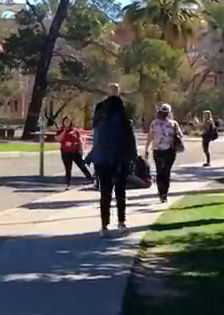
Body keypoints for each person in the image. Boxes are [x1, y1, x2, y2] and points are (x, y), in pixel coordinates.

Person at [87, 94, 137, 236]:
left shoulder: (101, 123)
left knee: (105, 193)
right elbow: (131, 144)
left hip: (104, 163)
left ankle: (104, 226)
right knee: (120, 192)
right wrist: (132, 160)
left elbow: (97, 143)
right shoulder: (125, 123)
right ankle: (121, 222)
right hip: (121, 162)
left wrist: (93, 158)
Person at [145, 104, 184, 203]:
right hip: (169, 151)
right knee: (166, 172)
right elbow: (180, 135)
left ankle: (161, 192)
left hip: (158, 150)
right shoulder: (173, 123)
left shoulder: (154, 123)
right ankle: (164, 194)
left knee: (160, 172)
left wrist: (147, 149)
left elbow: (150, 137)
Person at [57, 117, 94, 187]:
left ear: (70, 122)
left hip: (75, 152)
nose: (67, 123)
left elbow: (79, 141)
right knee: (68, 168)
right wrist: (64, 131)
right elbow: (59, 139)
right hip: (65, 153)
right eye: (65, 122)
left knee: (82, 165)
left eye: (68, 121)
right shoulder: (60, 130)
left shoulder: (75, 130)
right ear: (63, 123)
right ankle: (67, 183)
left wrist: (81, 150)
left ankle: (90, 178)